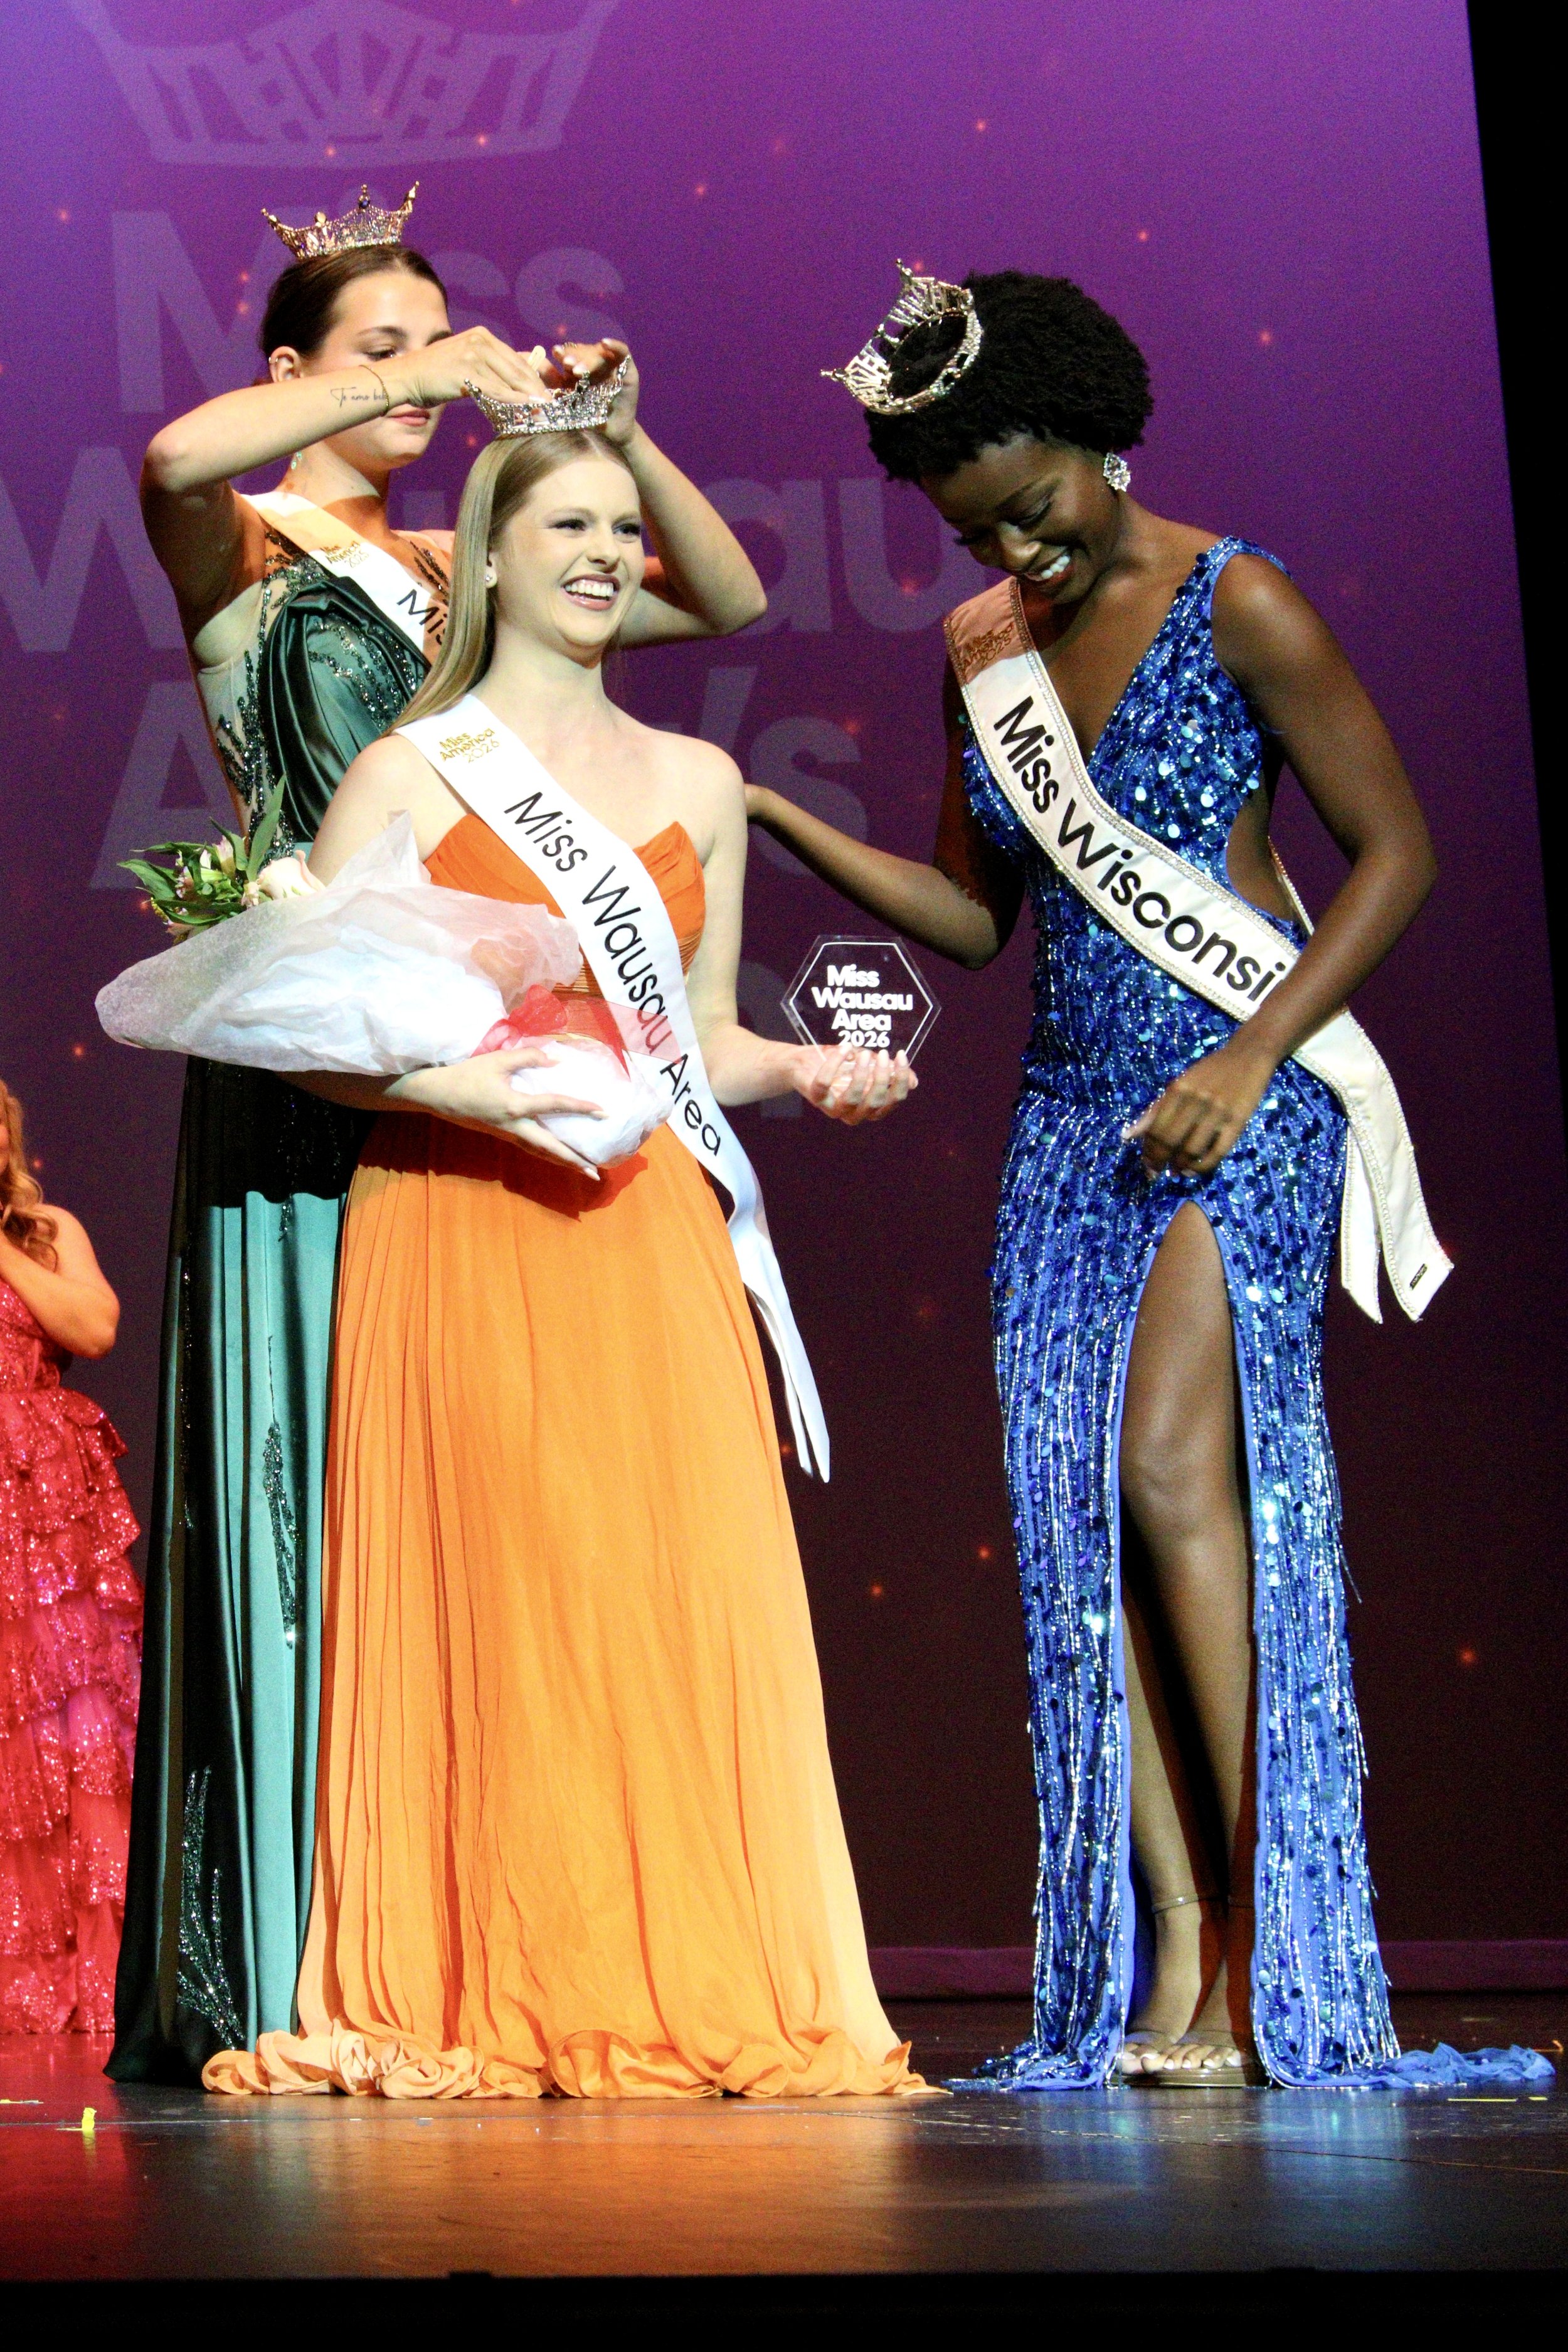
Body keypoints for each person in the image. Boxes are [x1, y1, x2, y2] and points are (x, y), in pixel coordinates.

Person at [753, 267, 1448, 2086]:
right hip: (1068, 1121)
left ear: (1090, 431)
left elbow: (1391, 853)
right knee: (1078, 1535)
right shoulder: (978, 650)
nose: (1017, 554)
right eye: (976, 531)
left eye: (1032, 507)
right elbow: (978, 922)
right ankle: (1159, 1964)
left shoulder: (1243, 598)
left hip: (1243, 1094)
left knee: (1162, 1463)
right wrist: (772, 819)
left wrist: (1247, 1051)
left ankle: (1252, 1947)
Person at [112, 186, 770, 2084]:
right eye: (376, 351)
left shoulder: (462, 571)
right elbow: (166, 448)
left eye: (440, 342)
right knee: (308, 1482)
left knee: (480, 1510)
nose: (424, 382)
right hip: (326, 1054)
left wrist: (612, 436)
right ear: (290, 375)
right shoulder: (241, 540)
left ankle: (487, 1910)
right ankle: (297, 1947)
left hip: (508, 1080)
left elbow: (723, 598)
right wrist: (444, 375)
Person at [201, 383, 923, 2100]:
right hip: (462, 1222)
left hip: (648, 1222)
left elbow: (705, 1036)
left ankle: (677, 1964)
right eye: (568, 527)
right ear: (493, 559)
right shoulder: (406, 768)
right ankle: (505, 1963)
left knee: (659, 1601)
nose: (604, 554)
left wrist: (809, 1065)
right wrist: (473, 1079)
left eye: (620, 529)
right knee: (507, 1598)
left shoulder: (701, 778)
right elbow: (312, 1018)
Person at [0, 1080, 140, 2032]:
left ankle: (84, 1972)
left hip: (46, 1521)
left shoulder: (45, 1231)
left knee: (67, 1733)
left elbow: (93, 1327)